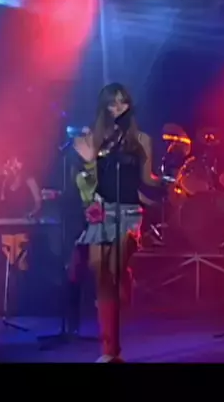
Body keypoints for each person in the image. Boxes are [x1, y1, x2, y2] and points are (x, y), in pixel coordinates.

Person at [68, 83, 161, 363]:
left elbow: (146, 179)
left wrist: (166, 185)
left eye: (122, 102)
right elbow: (84, 181)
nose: (118, 107)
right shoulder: (95, 138)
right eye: (112, 102)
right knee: (99, 271)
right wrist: (87, 162)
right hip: (102, 210)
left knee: (114, 269)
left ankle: (112, 343)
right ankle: (109, 349)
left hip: (129, 211)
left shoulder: (142, 140)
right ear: (104, 107)